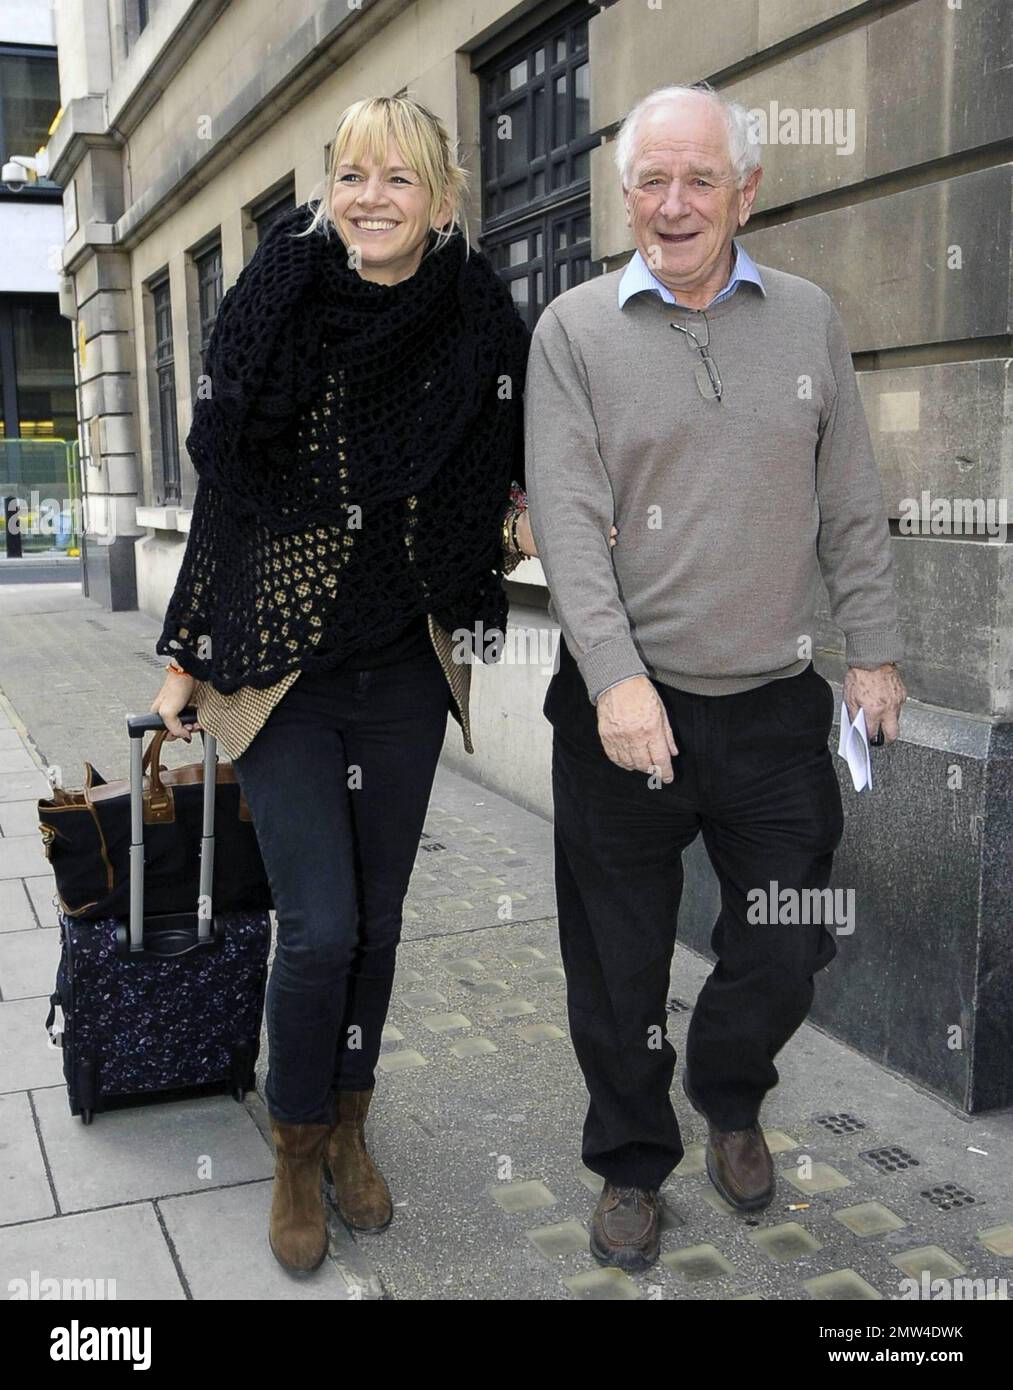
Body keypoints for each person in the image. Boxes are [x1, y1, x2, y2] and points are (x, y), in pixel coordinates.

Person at [149, 97, 536, 1276]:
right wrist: (184, 648)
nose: (370, 197)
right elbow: (228, 485)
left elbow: (510, 466)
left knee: (378, 921)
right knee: (317, 926)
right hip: (282, 674)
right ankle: (291, 1143)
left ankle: (353, 1126)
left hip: (402, 668)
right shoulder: (280, 301)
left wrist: (518, 524)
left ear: (441, 197)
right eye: (352, 174)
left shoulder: (477, 317)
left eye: (398, 178)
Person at [525, 81, 907, 1272]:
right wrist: (613, 680)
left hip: (774, 712)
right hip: (622, 716)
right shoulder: (572, 332)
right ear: (622, 194)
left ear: (748, 188)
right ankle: (632, 1164)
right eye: (650, 180)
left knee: (792, 935)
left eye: (700, 179)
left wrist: (873, 650)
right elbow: (569, 525)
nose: (673, 204)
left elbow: (846, 498)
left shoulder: (806, 320)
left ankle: (729, 1091)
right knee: (617, 963)